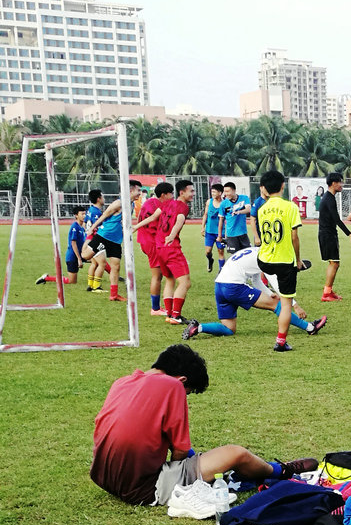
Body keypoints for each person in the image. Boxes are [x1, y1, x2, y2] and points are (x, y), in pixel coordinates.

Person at [90, 343, 311, 506]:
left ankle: (244, 471)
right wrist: (190, 471)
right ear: (183, 381)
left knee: (207, 459)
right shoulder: (172, 386)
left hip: (103, 478)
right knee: (236, 454)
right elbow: (181, 450)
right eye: (189, 392)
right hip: (141, 489)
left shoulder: (123, 382)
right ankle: (281, 470)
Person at [185, 244, 327, 339]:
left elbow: (256, 280)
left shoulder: (255, 251)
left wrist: (267, 292)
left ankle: (198, 328)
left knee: (229, 329)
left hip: (219, 286)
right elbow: (276, 283)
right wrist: (295, 305)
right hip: (234, 287)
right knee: (276, 305)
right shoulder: (267, 257)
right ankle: (310, 327)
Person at [255, 168, 304, 352]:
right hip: (284, 261)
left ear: (265, 189)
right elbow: (294, 237)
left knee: (271, 274)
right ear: (283, 186)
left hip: (264, 260)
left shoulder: (262, 208)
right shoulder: (290, 207)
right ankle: (281, 342)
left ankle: (265, 281)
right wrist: (298, 261)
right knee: (285, 303)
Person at [90, 178, 142, 302]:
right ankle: (80, 255)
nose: (140, 193)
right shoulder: (118, 203)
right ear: (130, 190)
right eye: (138, 190)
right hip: (104, 235)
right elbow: (104, 215)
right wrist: (92, 228)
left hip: (116, 239)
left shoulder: (131, 204)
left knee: (116, 266)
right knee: (85, 255)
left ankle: (114, 295)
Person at [157, 179, 194, 325]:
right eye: (191, 191)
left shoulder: (167, 204)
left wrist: (136, 227)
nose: (193, 194)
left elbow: (154, 216)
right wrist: (172, 235)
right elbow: (180, 218)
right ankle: (175, 316)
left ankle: (169, 314)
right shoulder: (183, 206)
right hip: (171, 248)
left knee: (170, 280)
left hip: (159, 247)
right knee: (185, 283)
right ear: (182, 192)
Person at [317, 170, 351, 301]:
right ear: (333, 183)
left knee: (334, 263)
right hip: (328, 235)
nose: (342, 184)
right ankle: (326, 293)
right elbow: (337, 220)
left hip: (327, 234)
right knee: (334, 263)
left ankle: (329, 291)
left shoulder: (329, 198)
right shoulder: (329, 199)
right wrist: (350, 235)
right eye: (340, 182)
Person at [136, 182, 174, 314]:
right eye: (171, 193)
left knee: (160, 274)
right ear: (164, 195)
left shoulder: (149, 202)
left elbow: (141, 218)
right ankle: (155, 308)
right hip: (152, 242)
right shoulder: (161, 206)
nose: (172, 196)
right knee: (157, 276)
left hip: (144, 240)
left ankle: (157, 307)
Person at [36, 203, 89, 287]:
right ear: (76, 215)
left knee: (97, 259)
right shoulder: (74, 227)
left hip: (80, 254)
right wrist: (79, 259)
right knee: (72, 281)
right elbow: (73, 243)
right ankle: (47, 278)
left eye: (85, 213)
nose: (84, 215)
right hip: (73, 256)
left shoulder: (82, 227)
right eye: (82, 214)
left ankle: (96, 283)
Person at [222, 181, 253, 253]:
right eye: (224, 192)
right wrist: (220, 235)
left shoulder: (244, 198)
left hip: (243, 234)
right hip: (231, 235)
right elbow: (221, 220)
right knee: (234, 257)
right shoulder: (224, 203)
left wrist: (239, 212)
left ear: (234, 190)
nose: (226, 194)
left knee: (246, 255)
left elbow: (248, 209)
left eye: (227, 191)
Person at [203, 181, 225, 273]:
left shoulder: (224, 203)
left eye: (214, 192)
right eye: (212, 192)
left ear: (220, 193)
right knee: (208, 251)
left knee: (220, 251)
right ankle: (210, 260)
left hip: (220, 232)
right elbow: (205, 215)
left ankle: (221, 271)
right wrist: (202, 227)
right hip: (209, 231)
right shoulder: (209, 202)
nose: (212, 194)